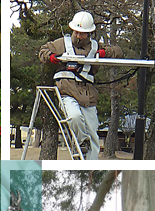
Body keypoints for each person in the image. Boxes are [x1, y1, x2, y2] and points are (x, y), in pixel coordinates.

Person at [39, 11, 123, 160]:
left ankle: (90, 164)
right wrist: (50, 57)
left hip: (87, 95)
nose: (78, 36)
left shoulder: (96, 46)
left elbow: (118, 52)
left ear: (89, 32)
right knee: (74, 117)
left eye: (82, 33)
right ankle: (81, 141)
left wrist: (104, 52)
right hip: (67, 91)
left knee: (93, 135)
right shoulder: (61, 44)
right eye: (76, 32)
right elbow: (43, 50)